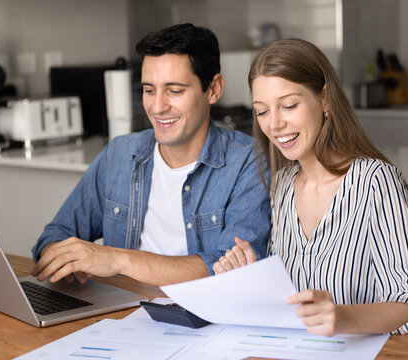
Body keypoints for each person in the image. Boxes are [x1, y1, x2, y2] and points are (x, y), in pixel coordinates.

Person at [213, 38, 408, 336]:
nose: (274, 124)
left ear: (324, 100)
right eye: (262, 111)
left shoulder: (375, 182)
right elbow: (292, 306)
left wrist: (342, 317)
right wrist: (249, 280)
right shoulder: (282, 186)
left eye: (289, 105)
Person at [30, 23, 270, 287]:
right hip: (121, 314)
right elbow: (56, 234)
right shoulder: (119, 154)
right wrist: (65, 260)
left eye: (175, 91)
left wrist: (118, 260)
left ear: (213, 89)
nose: (157, 107)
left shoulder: (250, 161)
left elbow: (231, 269)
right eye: (148, 90)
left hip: (202, 320)